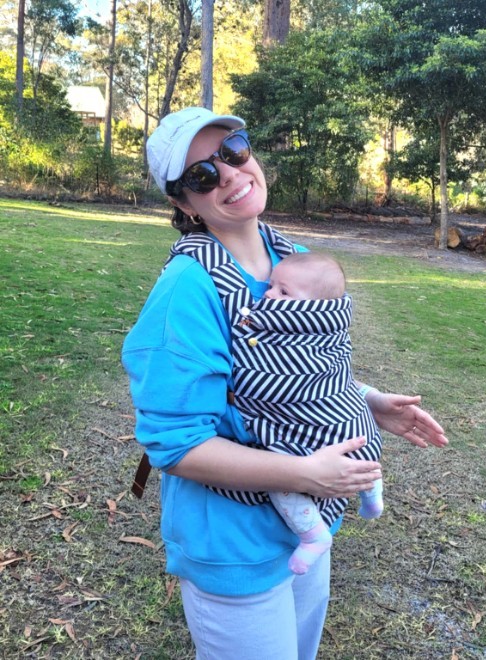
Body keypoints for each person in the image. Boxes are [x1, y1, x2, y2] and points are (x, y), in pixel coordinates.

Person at [122, 106, 448, 660]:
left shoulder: (291, 258)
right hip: (231, 539)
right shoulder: (187, 290)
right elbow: (175, 445)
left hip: (302, 529)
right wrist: (304, 473)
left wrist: (367, 401)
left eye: (233, 151)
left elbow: (304, 365)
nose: (229, 174)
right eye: (202, 175)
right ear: (184, 203)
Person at [231, 251, 384, 576]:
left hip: (323, 431)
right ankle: (372, 496)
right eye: (271, 286)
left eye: (283, 292)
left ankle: (313, 535)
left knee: (280, 480)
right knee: (361, 453)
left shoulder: (315, 332)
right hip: (358, 429)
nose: (269, 296)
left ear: (316, 307)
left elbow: (269, 380)